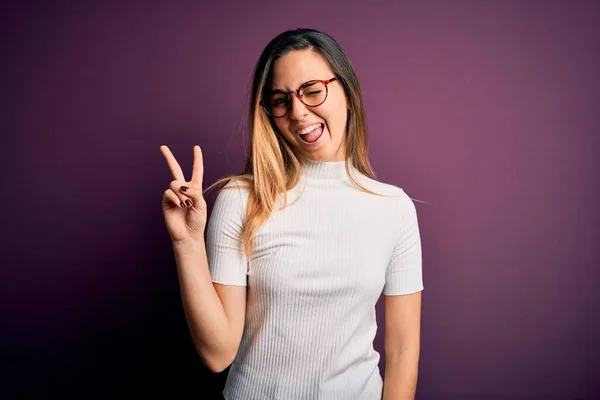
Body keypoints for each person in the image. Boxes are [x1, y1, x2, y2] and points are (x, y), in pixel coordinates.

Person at [160, 28, 423, 400]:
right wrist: (187, 243)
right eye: (281, 100)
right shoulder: (242, 198)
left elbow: (402, 354)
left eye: (313, 90)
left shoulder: (394, 208)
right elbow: (218, 354)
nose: (298, 112)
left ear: (347, 92)